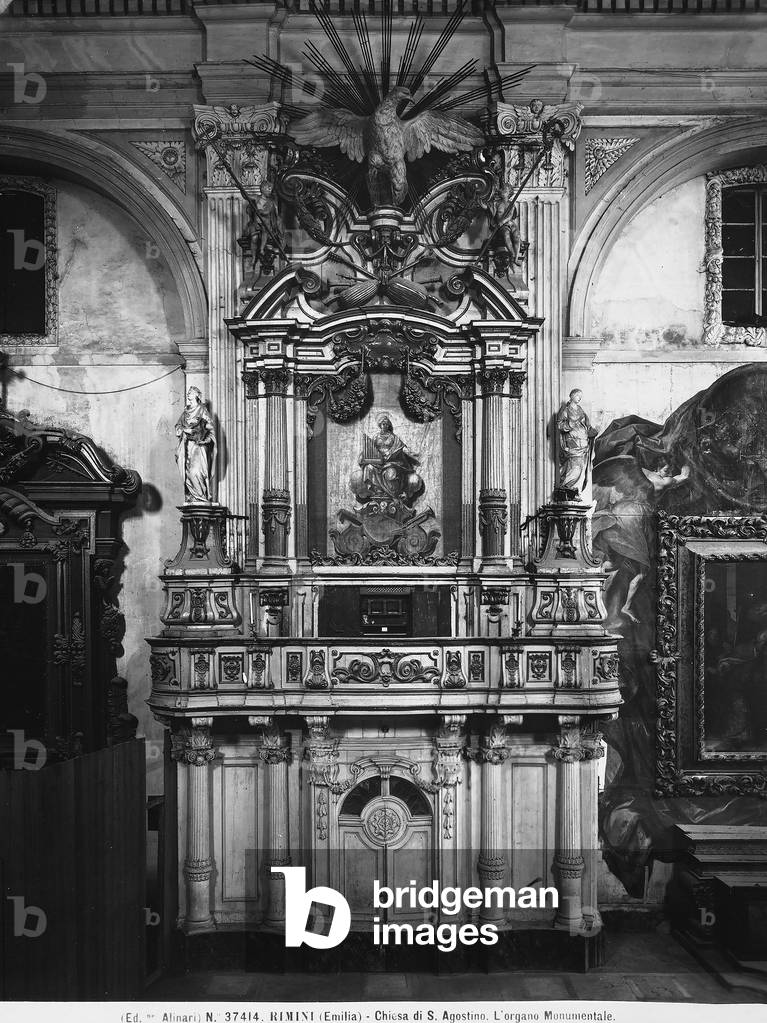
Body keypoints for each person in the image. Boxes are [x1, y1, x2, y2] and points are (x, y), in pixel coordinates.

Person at [351, 413, 424, 509]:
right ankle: (377, 491)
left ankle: (392, 494)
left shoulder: (393, 437)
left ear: (388, 425)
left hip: (391, 461)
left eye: (386, 424)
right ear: (380, 425)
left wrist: (412, 453)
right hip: (377, 461)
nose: (384, 426)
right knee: (369, 468)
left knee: (391, 472)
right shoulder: (376, 437)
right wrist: (363, 456)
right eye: (383, 424)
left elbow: (402, 447)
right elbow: (370, 449)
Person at [175, 386, 217, 503]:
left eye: (191, 393)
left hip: (199, 446)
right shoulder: (185, 412)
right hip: (187, 446)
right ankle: (194, 496)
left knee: (196, 472)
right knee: (188, 472)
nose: (188, 394)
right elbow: (178, 426)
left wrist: (203, 437)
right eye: (188, 392)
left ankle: (201, 496)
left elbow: (210, 428)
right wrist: (181, 430)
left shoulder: (202, 410)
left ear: (197, 395)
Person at [557, 388, 598, 496]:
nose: (579, 398)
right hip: (573, 443)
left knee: (580, 468)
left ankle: (570, 490)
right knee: (575, 467)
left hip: (583, 442)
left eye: (580, 396)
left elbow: (587, 425)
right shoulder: (566, 410)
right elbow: (560, 425)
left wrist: (592, 431)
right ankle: (566, 489)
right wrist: (571, 424)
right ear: (572, 396)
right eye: (577, 395)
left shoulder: (580, 410)